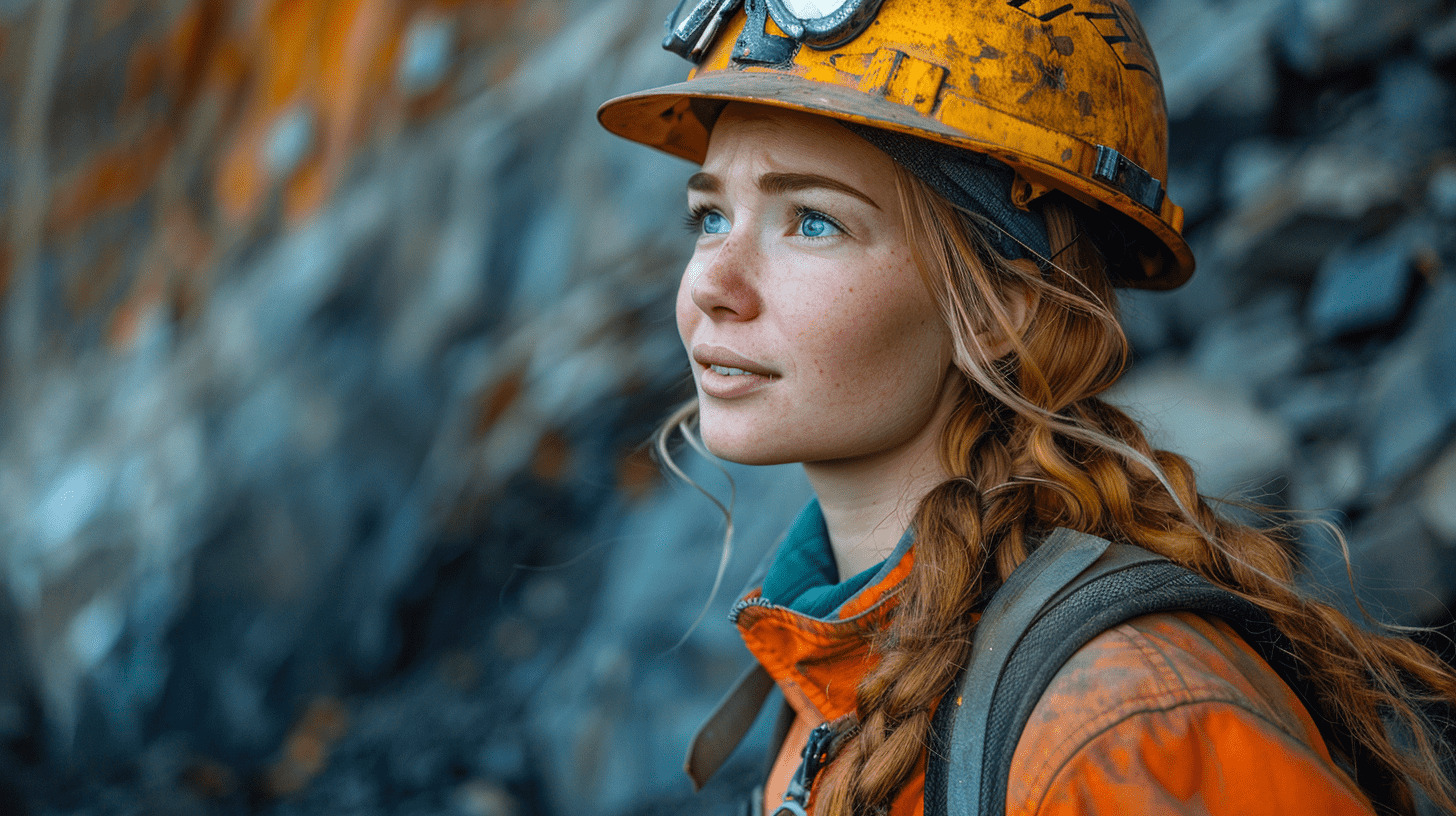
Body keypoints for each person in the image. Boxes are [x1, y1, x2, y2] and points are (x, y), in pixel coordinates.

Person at [597, 1, 1456, 814]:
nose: (711, 284)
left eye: (813, 221)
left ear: (1004, 305)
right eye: (709, 217)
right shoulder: (839, 657)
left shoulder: (1130, 735)